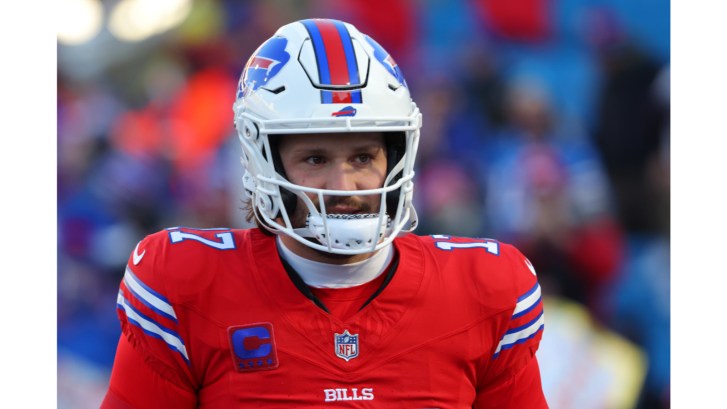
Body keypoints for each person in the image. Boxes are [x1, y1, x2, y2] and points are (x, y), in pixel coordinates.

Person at [101, 18, 548, 408]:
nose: (343, 186)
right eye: (315, 159)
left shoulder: (485, 289)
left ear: (396, 158)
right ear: (265, 163)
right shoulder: (185, 284)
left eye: (362, 158)